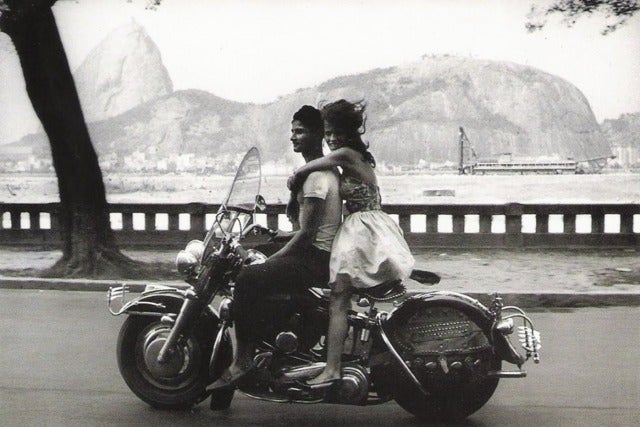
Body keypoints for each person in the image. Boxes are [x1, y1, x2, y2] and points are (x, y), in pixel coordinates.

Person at [208, 105, 342, 390]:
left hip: (316, 258)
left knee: (247, 278)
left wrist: (272, 258)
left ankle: (242, 360)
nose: (293, 137)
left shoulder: (317, 177)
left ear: (318, 134)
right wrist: (275, 237)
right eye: (292, 131)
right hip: (316, 253)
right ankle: (267, 340)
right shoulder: (317, 171)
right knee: (255, 255)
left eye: (300, 132)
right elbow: (303, 230)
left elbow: (307, 235)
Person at [287, 99, 415, 387]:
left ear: (348, 133)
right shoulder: (358, 156)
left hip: (362, 227)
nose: (331, 139)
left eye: (335, 132)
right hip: (368, 224)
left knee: (339, 298)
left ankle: (332, 368)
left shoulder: (344, 155)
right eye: (328, 133)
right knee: (341, 297)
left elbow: (310, 166)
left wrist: (296, 176)